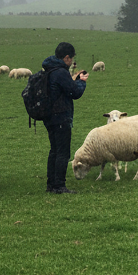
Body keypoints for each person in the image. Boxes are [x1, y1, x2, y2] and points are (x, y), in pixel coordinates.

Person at [41, 41, 88, 194]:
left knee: (54, 150)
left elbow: (62, 88)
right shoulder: (60, 72)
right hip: (60, 117)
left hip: (49, 117)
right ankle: (59, 186)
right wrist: (81, 82)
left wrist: (73, 79)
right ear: (66, 57)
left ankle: (51, 184)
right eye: (71, 59)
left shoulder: (49, 69)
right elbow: (75, 92)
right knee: (62, 152)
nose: (71, 62)